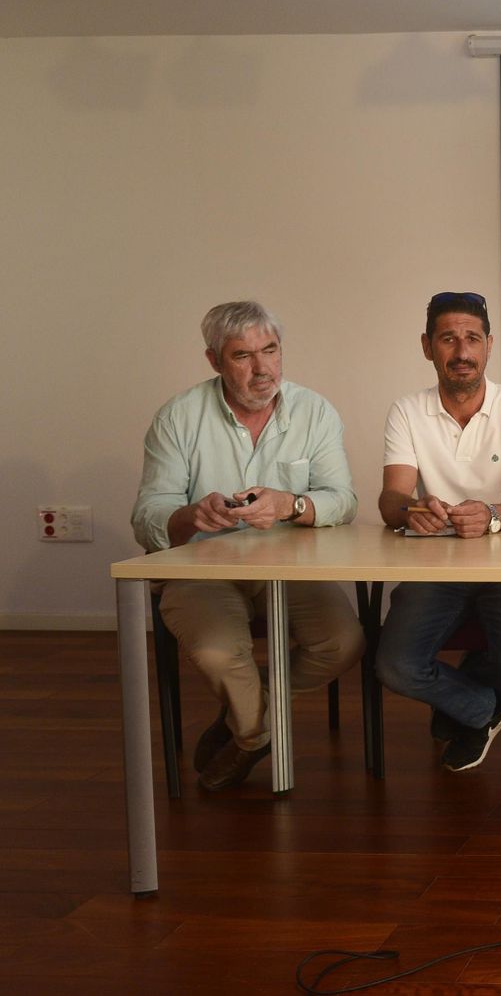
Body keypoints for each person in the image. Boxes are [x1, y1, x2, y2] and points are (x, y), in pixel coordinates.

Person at [131, 301, 363, 791]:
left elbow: (342, 500)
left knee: (344, 643)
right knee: (218, 653)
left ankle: (246, 708)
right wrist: (189, 516)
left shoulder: (315, 410)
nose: (262, 369)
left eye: (270, 350)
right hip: (201, 569)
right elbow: (148, 515)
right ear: (214, 360)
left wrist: (290, 505)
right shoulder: (178, 417)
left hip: (291, 567)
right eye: (243, 356)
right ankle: (255, 737)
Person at [376, 291, 501, 773]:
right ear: (427, 346)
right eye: (448, 339)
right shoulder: (406, 410)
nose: (461, 351)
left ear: (489, 345)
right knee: (394, 666)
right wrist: (411, 510)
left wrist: (493, 515)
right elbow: (391, 500)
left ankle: (466, 690)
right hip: (435, 563)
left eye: (472, 338)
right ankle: (483, 708)